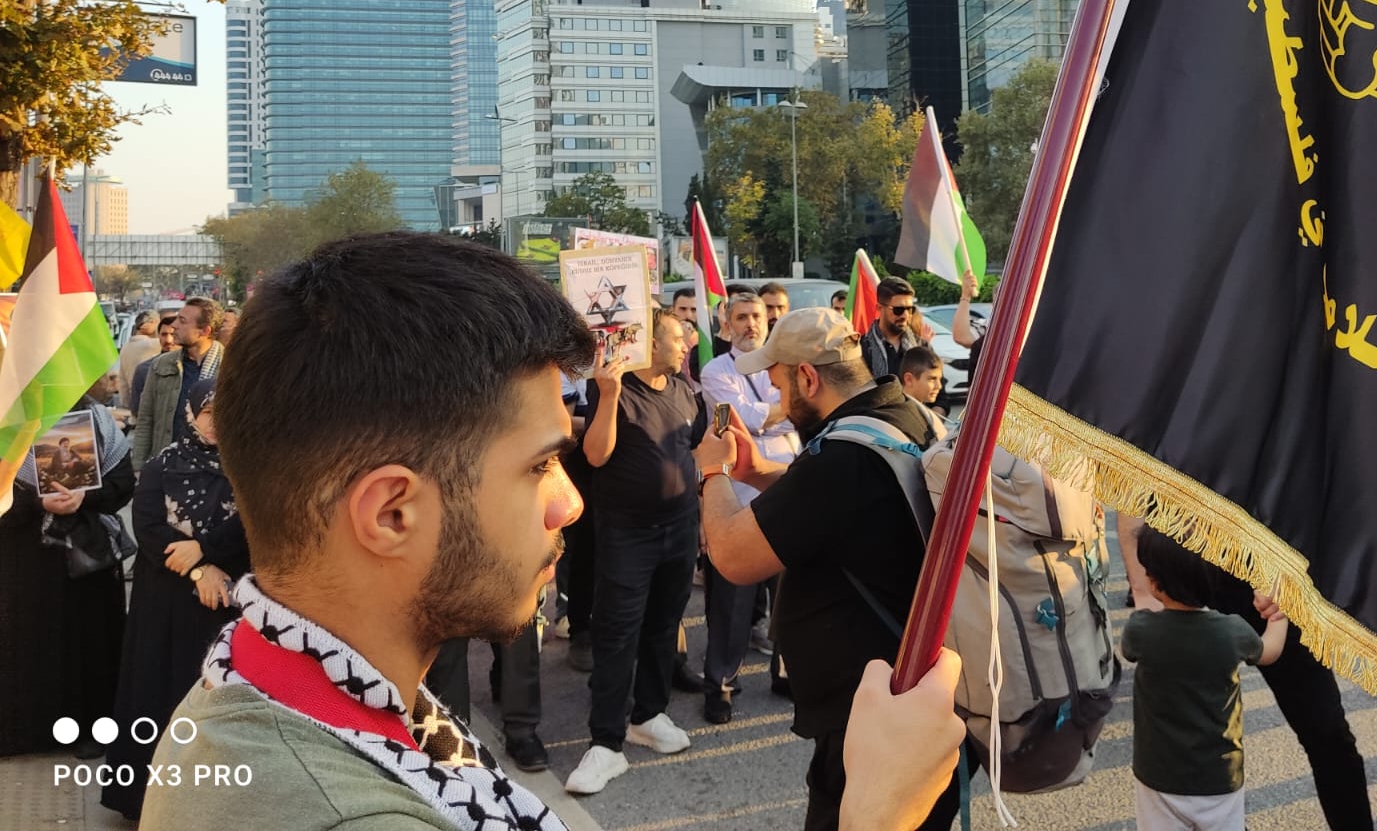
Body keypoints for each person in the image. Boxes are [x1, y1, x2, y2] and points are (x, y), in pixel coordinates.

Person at [139, 232, 967, 831]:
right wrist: (877, 817)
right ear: (391, 512)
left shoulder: (306, 686)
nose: (570, 501)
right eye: (538, 466)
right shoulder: (328, 809)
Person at [692, 307, 959, 831]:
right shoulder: (899, 414)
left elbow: (732, 554)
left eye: (777, 382)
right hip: (920, 696)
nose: (777, 399)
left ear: (808, 377)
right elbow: (824, 509)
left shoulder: (840, 459)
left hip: (870, 718)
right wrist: (757, 470)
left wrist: (714, 471)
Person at [1119, 508, 1374, 830]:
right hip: (1182, 563)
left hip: (1274, 571)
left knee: (1326, 732)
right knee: (1175, 739)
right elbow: (1131, 481)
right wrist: (1142, 589)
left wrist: (1288, 582)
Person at [566, 313, 704, 797]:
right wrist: (606, 395)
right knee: (617, 632)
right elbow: (597, 455)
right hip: (629, 535)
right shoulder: (617, 389)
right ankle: (606, 741)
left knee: (663, 626)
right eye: (677, 334)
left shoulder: (687, 390)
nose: (689, 339)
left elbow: (695, 448)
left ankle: (648, 714)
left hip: (681, 529)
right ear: (649, 341)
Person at [102, 377, 250, 819]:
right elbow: (147, 528)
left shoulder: (253, 468)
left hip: (227, 606)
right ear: (191, 413)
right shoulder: (162, 465)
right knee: (159, 694)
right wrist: (200, 568)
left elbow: (254, 525)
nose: (216, 425)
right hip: (166, 604)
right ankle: (145, 801)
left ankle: (214, 805)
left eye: (226, 415)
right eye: (208, 414)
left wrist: (205, 549)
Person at [0, 377, 134, 759]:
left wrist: (82, 497)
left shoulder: (98, 420)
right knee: (24, 640)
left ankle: (92, 728)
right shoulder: (9, 421)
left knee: (88, 640)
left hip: (85, 552)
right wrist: (39, 504)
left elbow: (122, 485)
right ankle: (24, 731)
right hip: (24, 554)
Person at [1121, 527, 1287, 831]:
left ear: (1155, 583)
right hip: (1220, 774)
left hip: (1158, 774)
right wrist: (1280, 616)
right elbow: (1270, 651)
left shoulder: (1141, 631)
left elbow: (1129, 651)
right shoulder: (1231, 631)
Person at [697, 292, 800, 722]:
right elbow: (741, 420)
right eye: (741, 317)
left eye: (757, 315)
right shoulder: (716, 371)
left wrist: (771, 413)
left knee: (789, 599)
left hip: (788, 488)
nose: (750, 324)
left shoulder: (784, 366)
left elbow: (803, 415)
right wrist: (783, 411)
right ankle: (721, 683)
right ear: (727, 324)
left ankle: (785, 672)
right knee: (733, 601)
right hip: (739, 500)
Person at [132, 296, 224, 467]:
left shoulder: (230, 367)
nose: (174, 325)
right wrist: (139, 466)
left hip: (215, 471)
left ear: (204, 331)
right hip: (168, 465)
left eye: (182, 321)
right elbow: (146, 418)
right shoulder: (161, 365)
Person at [861, 276, 926, 381]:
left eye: (910, 309)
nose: (905, 315)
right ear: (879, 308)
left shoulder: (922, 347)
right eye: (898, 310)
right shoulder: (861, 350)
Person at [128, 313, 177, 415]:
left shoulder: (194, 367)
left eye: (173, 334)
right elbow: (137, 409)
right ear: (158, 336)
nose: (168, 340)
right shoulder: (145, 369)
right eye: (164, 334)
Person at [118, 309, 162, 399]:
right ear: (147, 324)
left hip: (133, 399)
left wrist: (127, 404)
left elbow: (122, 383)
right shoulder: (153, 344)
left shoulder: (125, 347)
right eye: (156, 323)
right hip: (151, 399)